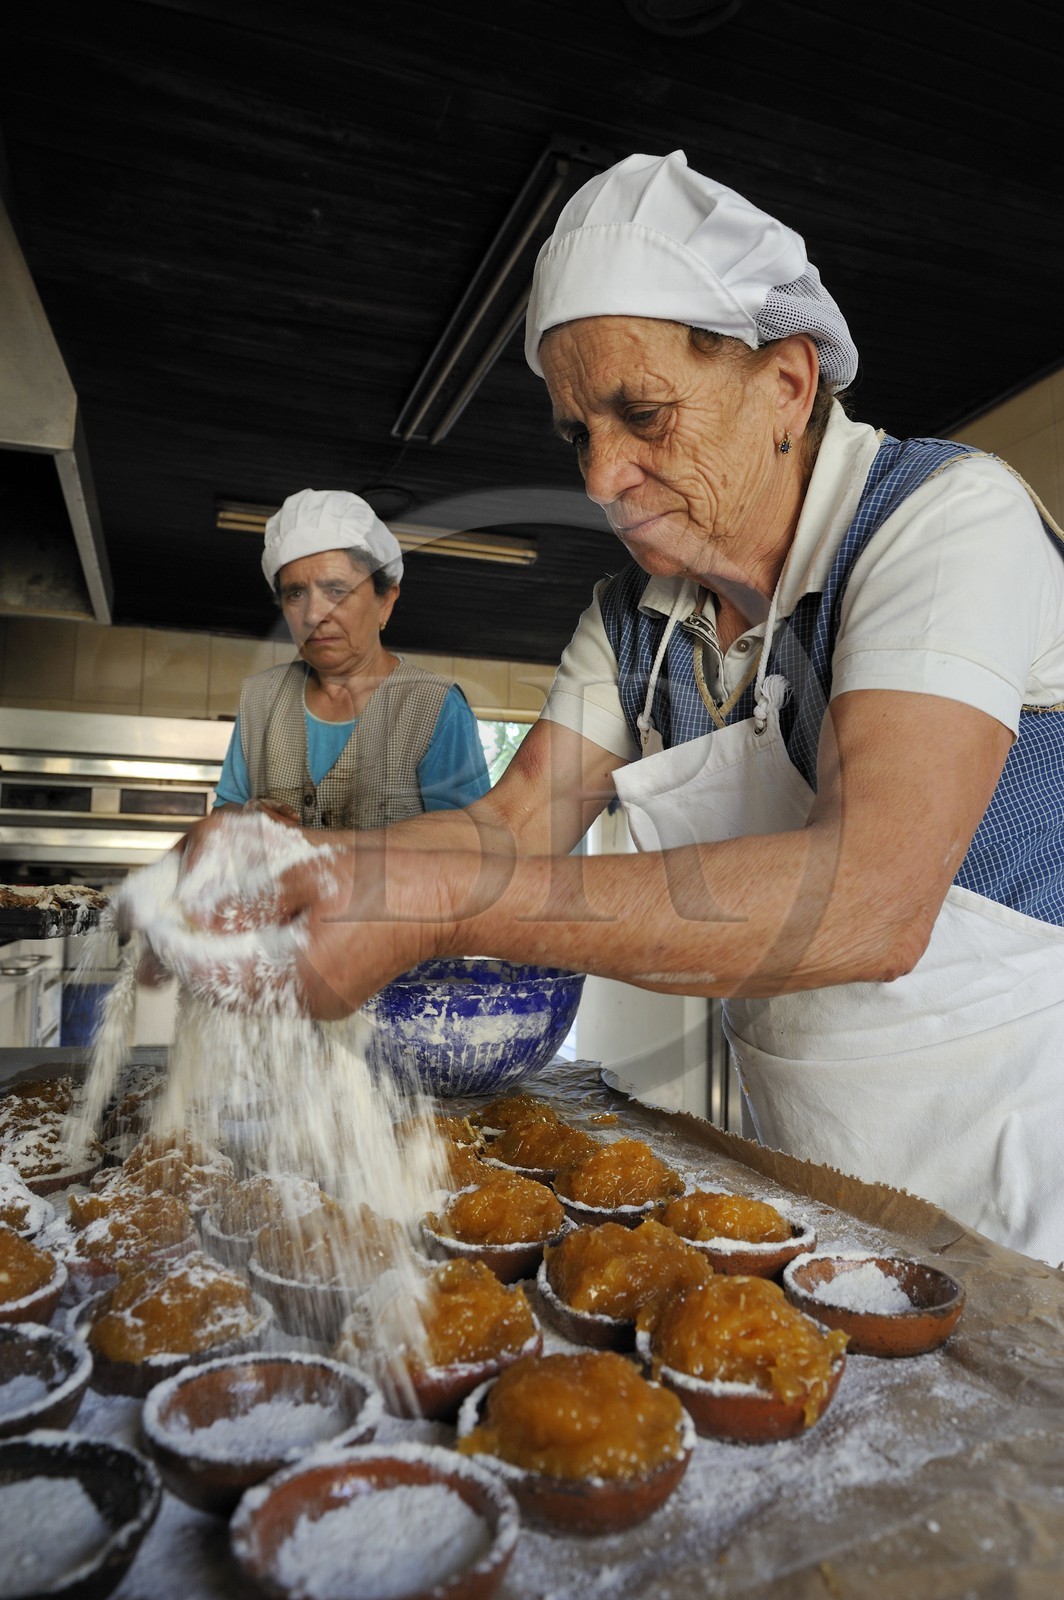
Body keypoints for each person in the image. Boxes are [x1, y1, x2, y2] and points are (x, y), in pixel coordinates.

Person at [190, 154, 1064, 1265]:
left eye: (639, 413)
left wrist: (436, 900)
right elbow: (509, 829)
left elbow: (868, 901)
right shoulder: (635, 624)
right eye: (575, 433)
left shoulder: (936, 524)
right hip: (821, 1182)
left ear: (787, 385)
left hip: (1030, 1190)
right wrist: (305, 864)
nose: (602, 477)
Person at [213, 488, 490, 828]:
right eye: (295, 593)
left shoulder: (433, 707)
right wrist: (244, 818)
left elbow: (467, 848)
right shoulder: (260, 698)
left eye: (336, 590)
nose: (314, 614)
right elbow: (225, 811)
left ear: (385, 601)